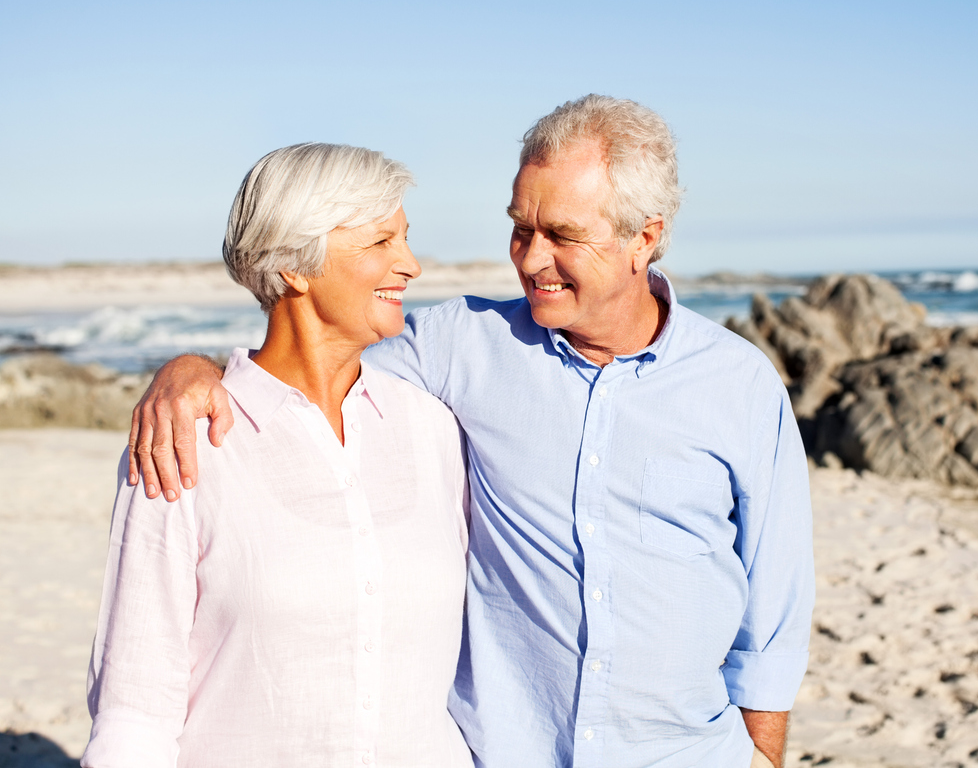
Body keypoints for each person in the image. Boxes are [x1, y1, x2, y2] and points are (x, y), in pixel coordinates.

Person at [130, 96, 815, 768]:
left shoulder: (740, 385)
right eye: (522, 228)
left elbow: (775, 609)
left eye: (564, 236)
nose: (531, 259)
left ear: (644, 237)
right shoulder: (459, 346)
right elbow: (307, 359)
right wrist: (193, 370)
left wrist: (764, 755)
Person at [85, 143, 473, 767]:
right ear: (295, 266)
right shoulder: (183, 441)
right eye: (380, 243)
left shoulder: (433, 429)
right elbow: (134, 707)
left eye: (405, 238)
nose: (411, 264)